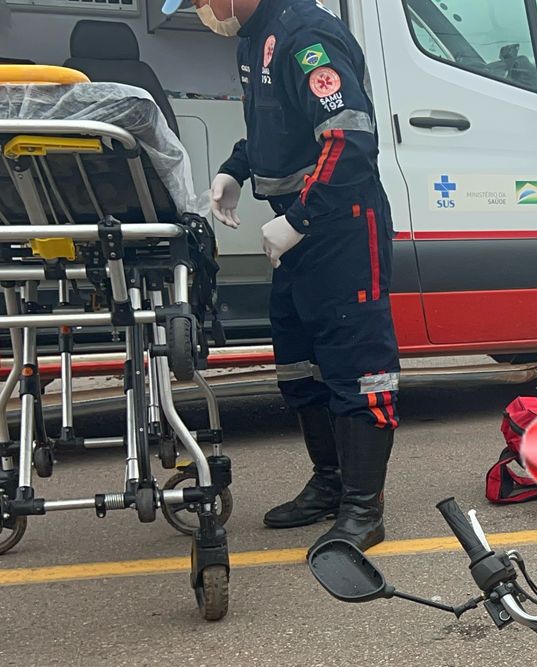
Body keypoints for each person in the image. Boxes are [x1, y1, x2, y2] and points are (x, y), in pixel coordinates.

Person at [166, 0, 400, 551]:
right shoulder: (253, 36)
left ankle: (365, 509)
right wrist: (234, 168)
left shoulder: (307, 35)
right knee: (299, 362)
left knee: (355, 361)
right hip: (296, 225)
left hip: (340, 220)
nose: (202, 9)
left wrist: (300, 218)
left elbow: (348, 139)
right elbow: (273, 128)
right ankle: (331, 482)